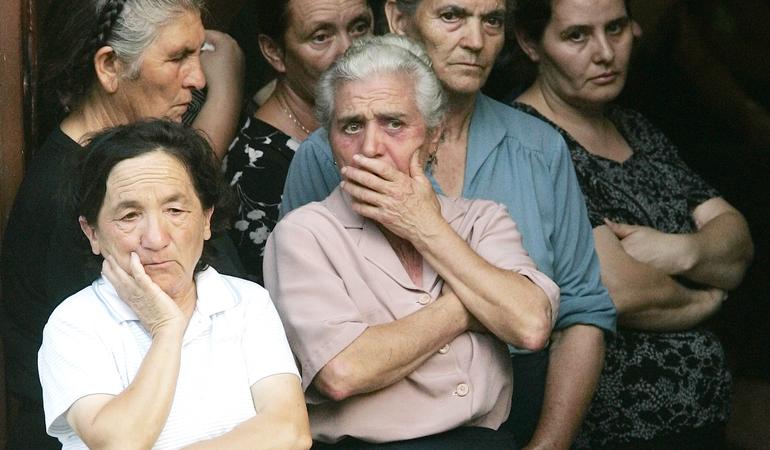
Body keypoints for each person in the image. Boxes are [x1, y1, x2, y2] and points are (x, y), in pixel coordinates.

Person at [279, 0, 617, 447]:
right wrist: (476, 307)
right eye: (452, 15)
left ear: (431, 134)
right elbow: (337, 365)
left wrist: (424, 225)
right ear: (400, 19)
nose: (475, 41)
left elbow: (553, 317)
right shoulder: (315, 186)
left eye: (492, 20)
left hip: (504, 419)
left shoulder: (519, 172)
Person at [509, 0, 754, 448]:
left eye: (616, 28)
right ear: (530, 43)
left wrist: (678, 250)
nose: (605, 52)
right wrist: (704, 302)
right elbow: (615, 288)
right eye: (577, 36)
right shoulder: (527, 141)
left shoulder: (634, 128)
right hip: (615, 429)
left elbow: (736, 245)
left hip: (700, 421)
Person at [0, 0, 244, 447]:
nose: (198, 78)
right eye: (177, 57)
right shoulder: (70, 200)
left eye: (198, 53)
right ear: (110, 66)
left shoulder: (136, 162)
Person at [38, 120, 311, 450]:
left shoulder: (247, 303)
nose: (155, 238)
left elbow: (289, 431)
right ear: (92, 232)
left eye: (175, 210)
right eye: (129, 216)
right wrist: (166, 329)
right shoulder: (75, 323)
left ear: (206, 220)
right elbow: (119, 443)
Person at [223, 0, 373, 284]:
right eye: (321, 36)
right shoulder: (255, 170)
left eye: (359, 27)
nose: (349, 51)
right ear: (275, 52)